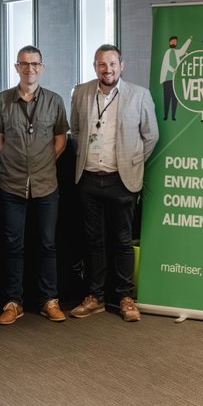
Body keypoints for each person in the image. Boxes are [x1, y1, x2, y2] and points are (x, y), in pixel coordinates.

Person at [69, 44, 159, 321]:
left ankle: (125, 297)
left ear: (122, 65)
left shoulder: (139, 95)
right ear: (94, 66)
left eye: (112, 64)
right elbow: (77, 129)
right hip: (89, 177)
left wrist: (130, 162)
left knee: (121, 240)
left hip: (122, 179)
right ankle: (95, 296)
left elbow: (151, 136)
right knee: (93, 240)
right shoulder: (81, 92)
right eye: (101, 64)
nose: (107, 69)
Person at [0, 46, 70, 325]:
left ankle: (50, 300)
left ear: (42, 67)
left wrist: (45, 162)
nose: (30, 69)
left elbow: (61, 139)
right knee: (13, 245)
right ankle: (14, 302)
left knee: (47, 244)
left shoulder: (55, 101)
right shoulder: (1, 101)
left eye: (35, 64)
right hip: (11, 184)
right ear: (16, 67)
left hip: (46, 183)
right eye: (24, 64)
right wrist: (14, 163)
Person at [158, 36, 190, 121]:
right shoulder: (168, 52)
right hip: (167, 79)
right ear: (169, 43)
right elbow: (167, 65)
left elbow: (183, 50)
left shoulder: (177, 52)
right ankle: (165, 115)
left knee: (175, 98)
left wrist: (189, 40)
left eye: (175, 42)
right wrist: (174, 71)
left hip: (176, 80)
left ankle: (173, 116)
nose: (174, 43)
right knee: (167, 98)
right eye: (172, 41)